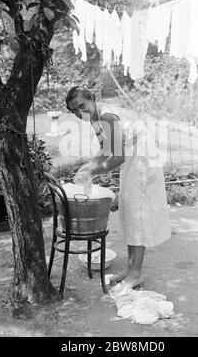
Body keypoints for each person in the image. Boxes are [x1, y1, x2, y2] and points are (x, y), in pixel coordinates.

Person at [65, 85, 171, 292]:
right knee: (130, 212)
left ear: (92, 100)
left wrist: (92, 173)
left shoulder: (107, 118)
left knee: (137, 213)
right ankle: (131, 269)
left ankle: (135, 274)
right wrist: (88, 166)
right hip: (133, 156)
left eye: (81, 106)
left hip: (142, 158)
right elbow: (105, 151)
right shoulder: (96, 120)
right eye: (74, 110)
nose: (79, 113)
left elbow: (117, 158)